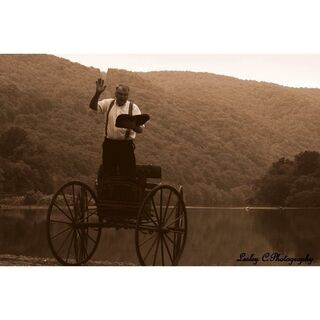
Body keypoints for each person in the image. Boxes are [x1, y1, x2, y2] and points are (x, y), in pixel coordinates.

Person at [89, 78, 144, 178]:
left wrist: (133, 126)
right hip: (109, 145)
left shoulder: (134, 108)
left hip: (126, 147)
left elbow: (141, 130)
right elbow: (93, 106)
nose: (122, 97)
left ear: (128, 95)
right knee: (108, 176)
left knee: (128, 176)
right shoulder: (109, 103)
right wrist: (97, 93)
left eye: (125, 95)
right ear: (115, 93)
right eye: (120, 94)